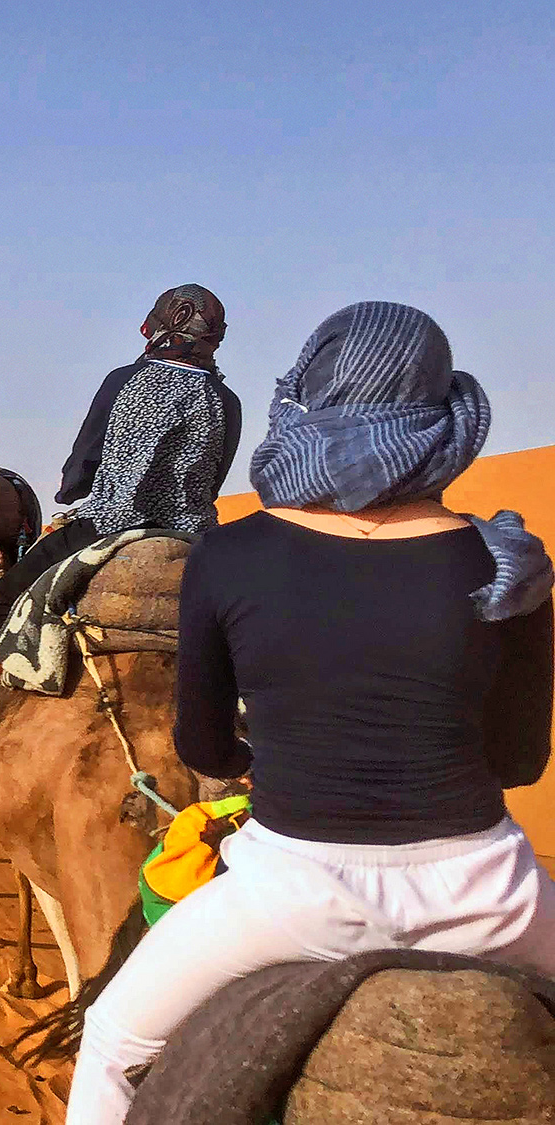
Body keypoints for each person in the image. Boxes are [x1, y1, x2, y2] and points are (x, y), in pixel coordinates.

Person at [66, 301, 555, 1124]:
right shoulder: (508, 559)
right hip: (492, 898)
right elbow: (517, 764)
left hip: (292, 898)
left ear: (310, 399)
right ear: (442, 416)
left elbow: (206, 747)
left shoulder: (231, 553)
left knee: (112, 1039)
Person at [0, 284, 242, 748]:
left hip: (111, 521)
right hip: (190, 533)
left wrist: (75, 487)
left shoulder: (124, 380)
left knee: (13, 590)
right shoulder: (225, 399)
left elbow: (82, 465)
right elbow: (215, 479)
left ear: (157, 329)